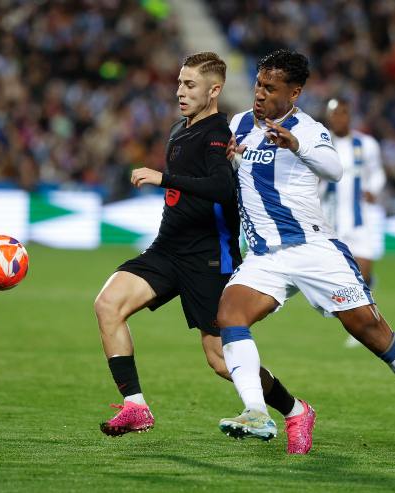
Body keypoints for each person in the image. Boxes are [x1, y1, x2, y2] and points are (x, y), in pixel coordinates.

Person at [217, 49, 395, 463]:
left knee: (371, 332)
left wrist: (296, 144)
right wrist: (228, 160)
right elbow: (241, 177)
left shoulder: (308, 129)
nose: (259, 93)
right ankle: (257, 412)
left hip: (313, 250)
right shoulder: (240, 124)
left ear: (294, 93)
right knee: (229, 315)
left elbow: (334, 169)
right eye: (258, 84)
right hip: (265, 256)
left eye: (270, 88)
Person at [93, 52, 313, 454]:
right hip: (167, 249)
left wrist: (163, 178)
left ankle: (296, 410)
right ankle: (135, 406)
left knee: (219, 360)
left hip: (209, 259)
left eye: (190, 85)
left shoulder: (216, 134)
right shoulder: (180, 129)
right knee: (108, 304)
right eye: (179, 83)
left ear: (214, 90)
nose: (180, 91)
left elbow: (221, 188)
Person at [322, 97, 386, 348]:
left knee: (364, 271)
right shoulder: (320, 142)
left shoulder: (366, 144)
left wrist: (373, 189)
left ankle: (366, 324)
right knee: (337, 276)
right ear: (329, 117)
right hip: (330, 219)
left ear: (349, 115)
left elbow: (377, 173)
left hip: (359, 219)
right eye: (335, 114)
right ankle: (355, 318)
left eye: (343, 113)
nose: (339, 118)